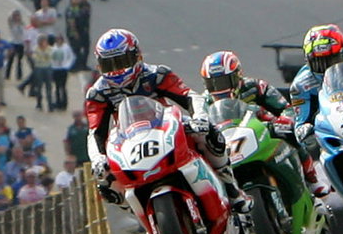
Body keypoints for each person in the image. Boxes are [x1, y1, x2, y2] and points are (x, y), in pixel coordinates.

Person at [83, 29, 242, 206]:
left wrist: (200, 118)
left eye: (121, 62)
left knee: (210, 134)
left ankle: (231, 189)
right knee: (105, 183)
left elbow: (189, 96)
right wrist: (98, 158)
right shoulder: (98, 93)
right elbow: (95, 132)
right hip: (128, 140)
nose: (116, 71)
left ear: (137, 56)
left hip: (166, 126)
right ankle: (137, 211)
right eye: (109, 65)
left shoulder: (156, 74)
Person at [200, 49, 325, 195]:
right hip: (228, 141)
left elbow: (286, 108)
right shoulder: (203, 102)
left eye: (223, 82)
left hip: (262, 132)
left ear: (237, 76)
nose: (218, 89)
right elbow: (200, 123)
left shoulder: (256, 87)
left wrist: (284, 120)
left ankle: (312, 179)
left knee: (293, 134)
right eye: (212, 84)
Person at [65, 0, 92, 71]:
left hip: (83, 31)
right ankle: (76, 65)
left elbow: (87, 13)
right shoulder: (70, 10)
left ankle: (83, 65)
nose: (77, 1)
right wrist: (75, 33)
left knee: (86, 48)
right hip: (74, 33)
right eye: (75, 0)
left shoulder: (83, 7)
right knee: (76, 49)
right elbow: (71, 22)